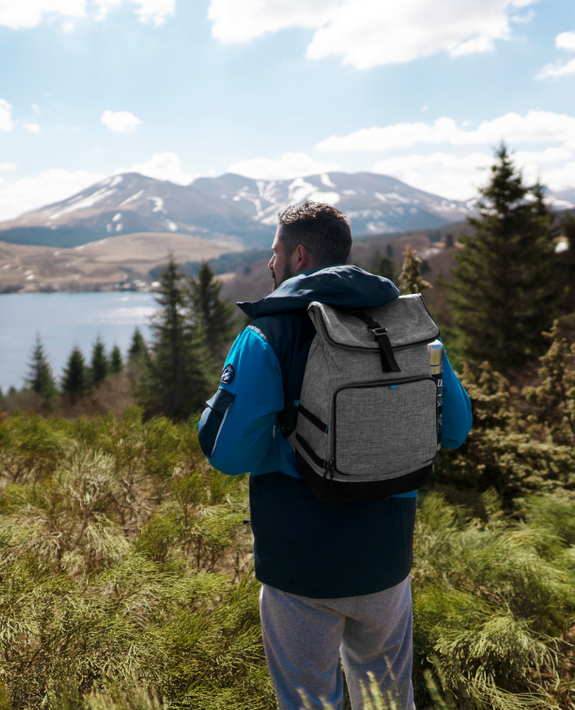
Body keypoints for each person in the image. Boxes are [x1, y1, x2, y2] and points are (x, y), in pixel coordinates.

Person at [198, 201, 472, 710]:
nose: (269, 264)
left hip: (300, 563)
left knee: (309, 702)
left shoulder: (267, 334)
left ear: (298, 255)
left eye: (275, 251)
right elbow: (455, 429)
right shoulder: (408, 324)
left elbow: (227, 453)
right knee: (388, 699)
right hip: (386, 558)